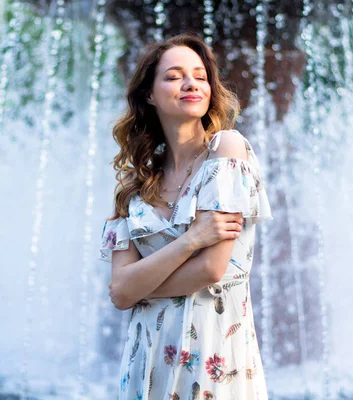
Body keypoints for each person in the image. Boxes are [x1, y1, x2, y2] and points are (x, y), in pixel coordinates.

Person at [99, 33, 272, 399]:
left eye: (200, 75)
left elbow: (212, 269)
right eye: (174, 76)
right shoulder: (133, 186)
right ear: (149, 93)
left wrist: (136, 288)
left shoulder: (226, 148)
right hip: (147, 360)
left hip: (213, 354)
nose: (191, 83)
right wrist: (192, 239)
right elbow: (119, 291)